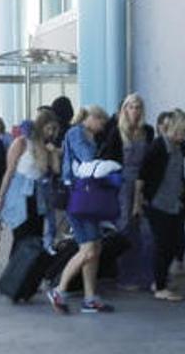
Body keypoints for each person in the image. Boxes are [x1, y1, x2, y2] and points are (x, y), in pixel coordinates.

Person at [48, 106, 115, 314]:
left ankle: (90, 297)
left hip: (87, 196)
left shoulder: (86, 135)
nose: (102, 126)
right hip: (79, 197)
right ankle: (59, 290)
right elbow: (87, 159)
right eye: (101, 121)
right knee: (88, 249)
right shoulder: (77, 133)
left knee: (95, 247)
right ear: (91, 118)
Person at [137, 108, 185, 302]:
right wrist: (139, 200)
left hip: (173, 202)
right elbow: (142, 175)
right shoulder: (159, 146)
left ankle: (160, 280)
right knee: (163, 244)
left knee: (173, 242)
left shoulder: (179, 146)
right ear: (175, 129)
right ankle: (159, 286)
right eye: (184, 131)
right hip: (157, 203)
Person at [99, 94, 156, 291]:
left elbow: (150, 160)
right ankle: (125, 275)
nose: (135, 110)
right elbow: (107, 157)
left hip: (143, 183)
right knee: (125, 228)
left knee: (146, 231)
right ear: (124, 109)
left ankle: (147, 275)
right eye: (131, 106)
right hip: (123, 184)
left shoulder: (147, 131)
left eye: (138, 107)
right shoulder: (116, 132)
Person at [0, 109, 61, 256]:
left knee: (35, 237)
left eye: (54, 129)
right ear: (40, 126)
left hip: (39, 195)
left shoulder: (48, 146)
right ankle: (14, 272)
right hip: (21, 193)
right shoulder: (22, 142)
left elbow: (56, 171)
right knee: (21, 236)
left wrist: (54, 152)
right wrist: (1, 196)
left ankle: (28, 273)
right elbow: (9, 171)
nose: (51, 132)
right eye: (48, 128)